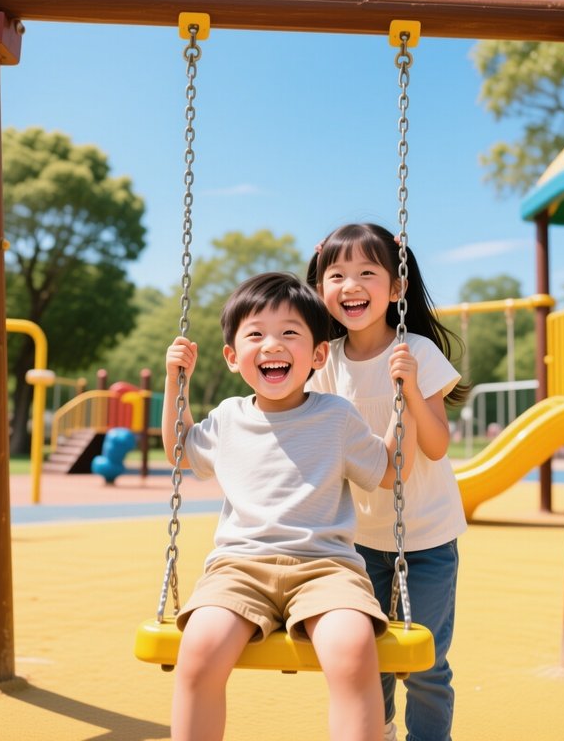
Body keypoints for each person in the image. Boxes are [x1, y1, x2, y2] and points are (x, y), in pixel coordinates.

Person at [162, 271, 418, 741]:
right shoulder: (227, 418)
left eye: (290, 333)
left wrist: (406, 397)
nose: (272, 344)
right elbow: (181, 452)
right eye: (255, 334)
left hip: (326, 568)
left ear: (319, 355)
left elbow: (387, 471)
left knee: (352, 647)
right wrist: (174, 382)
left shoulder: (337, 416)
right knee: (198, 649)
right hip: (239, 568)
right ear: (233, 356)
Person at [307, 223, 469, 741]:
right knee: (367, 659)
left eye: (366, 273)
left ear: (395, 288)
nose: (350, 285)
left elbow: (438, 446)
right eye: (336, 274)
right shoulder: (325, 361)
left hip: (426, 537)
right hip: (357, 542)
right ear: (319, 288)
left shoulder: (416, 351)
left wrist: (412, 388)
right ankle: (375, 732)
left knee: (424, 660)